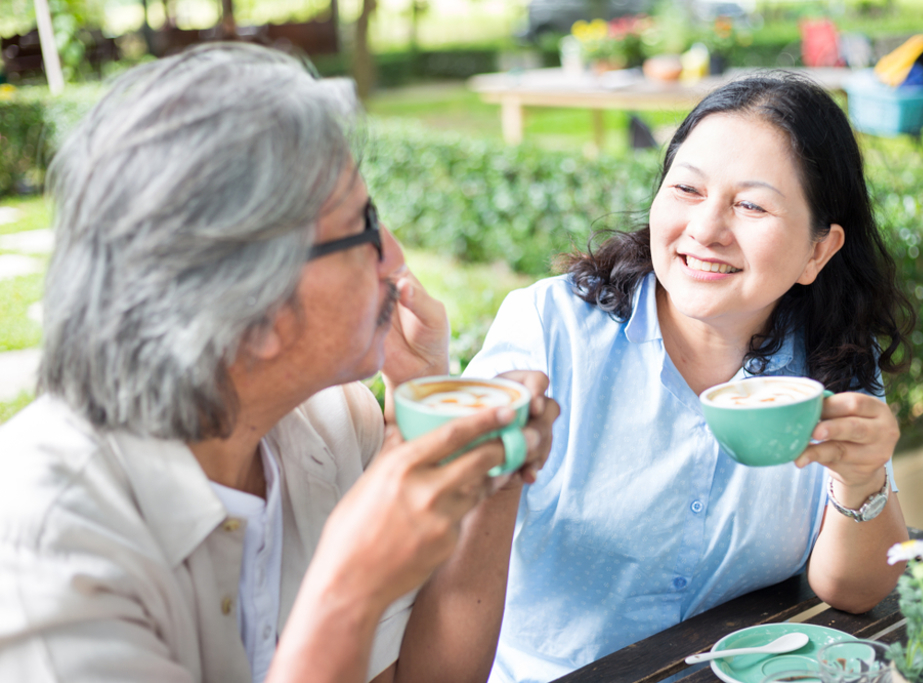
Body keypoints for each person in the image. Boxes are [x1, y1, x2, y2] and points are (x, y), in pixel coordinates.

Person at [0, 44, 559, 683]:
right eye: (364, 226)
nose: (394, 256)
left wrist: (492, 461)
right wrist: (348, 589)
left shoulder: (331, 423)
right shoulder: (44, 547)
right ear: (252, 306)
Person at [464, 73, 916, 683]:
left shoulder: (831, 362)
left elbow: (854, 592)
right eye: (686, 189)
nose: (705, 229)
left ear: (818, 251)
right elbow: (444, 540)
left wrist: (861, 479)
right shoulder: (550, 332)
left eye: (751, 204)